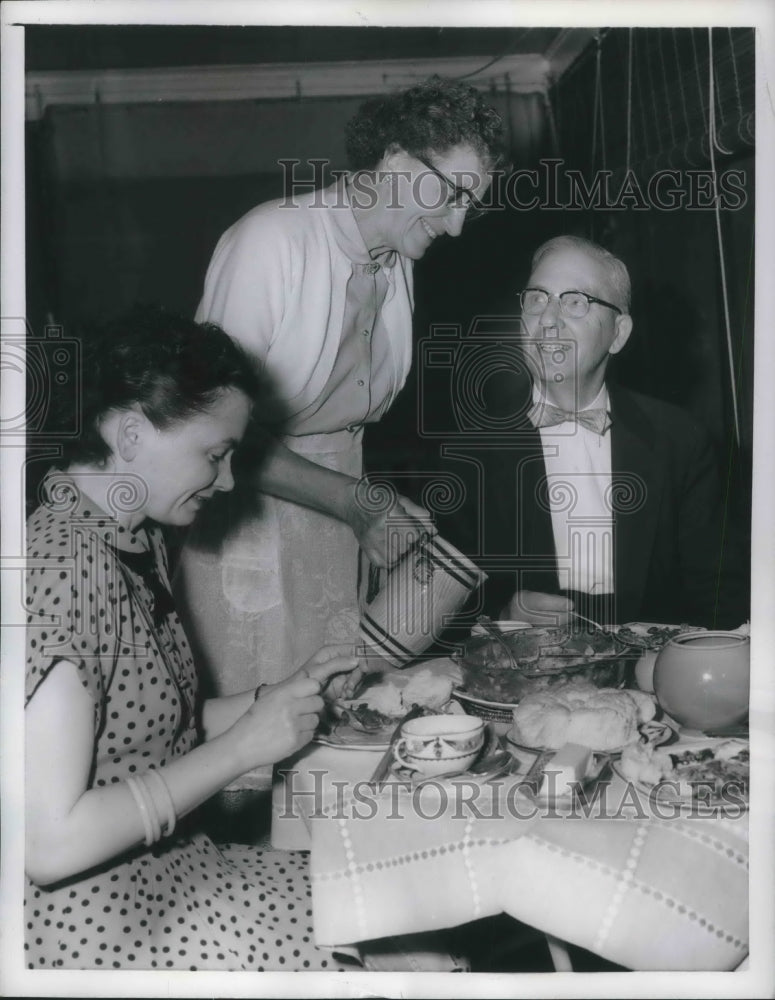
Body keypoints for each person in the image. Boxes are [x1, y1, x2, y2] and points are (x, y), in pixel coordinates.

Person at [23, 306, 365, 971]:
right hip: (94, 929)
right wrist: (243, 749)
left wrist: (277, 698)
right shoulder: (62, 569)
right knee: (384, 948)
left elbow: (149, 733)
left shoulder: (130, 536)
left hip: (167, 878)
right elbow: (49, 844)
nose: (230, 480)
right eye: (215, 454)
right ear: (129, 436)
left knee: (382, 904)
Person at [174, 76, 505, 699]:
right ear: (395, 158)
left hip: (337, 525)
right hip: (245, 525)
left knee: (335, 723)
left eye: (472, 204)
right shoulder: (271, 240)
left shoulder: (397, 259)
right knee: (253, 748)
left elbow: (343, 429)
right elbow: (208, 429)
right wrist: (356, 502)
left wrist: (370, 508)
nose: (459, 226)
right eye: (453, 193)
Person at [439, 235, 749, 630]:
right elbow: (438, 614)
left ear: (618, 333)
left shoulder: (680, 441)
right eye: (537, 298)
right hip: (519, 682)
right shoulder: (470, 450)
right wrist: (502, 618)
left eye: (574, 301)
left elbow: (723, 602)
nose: (548, 320)